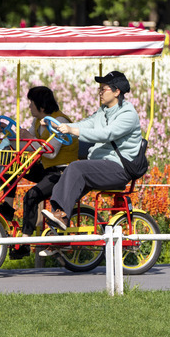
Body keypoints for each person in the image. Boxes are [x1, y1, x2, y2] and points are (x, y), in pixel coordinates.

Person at [41, 71, 143, 238]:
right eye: (100, 89)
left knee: (76, 169)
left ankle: (61, 218)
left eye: (104, 89)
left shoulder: (128, 114)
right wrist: (57, 124)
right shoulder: (103, 111)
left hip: (119, 168)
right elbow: (85, 124)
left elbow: (106, 134)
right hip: (102, 165)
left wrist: (73, 130)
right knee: (66, 177)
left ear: (117, 92)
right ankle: (58, 232)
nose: (100, 92)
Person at [15, 87, 79, 251]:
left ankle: (25, 240)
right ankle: (7, 208)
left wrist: (30, 139)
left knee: (32, 195)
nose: (29, 107)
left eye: (32, 103)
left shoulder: (60, 122)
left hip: (62, 172)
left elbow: (50, 152)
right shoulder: (37, 122)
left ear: (41, 107)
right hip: (47, 169)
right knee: (14, 169)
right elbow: (31, 146)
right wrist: (15, 139)